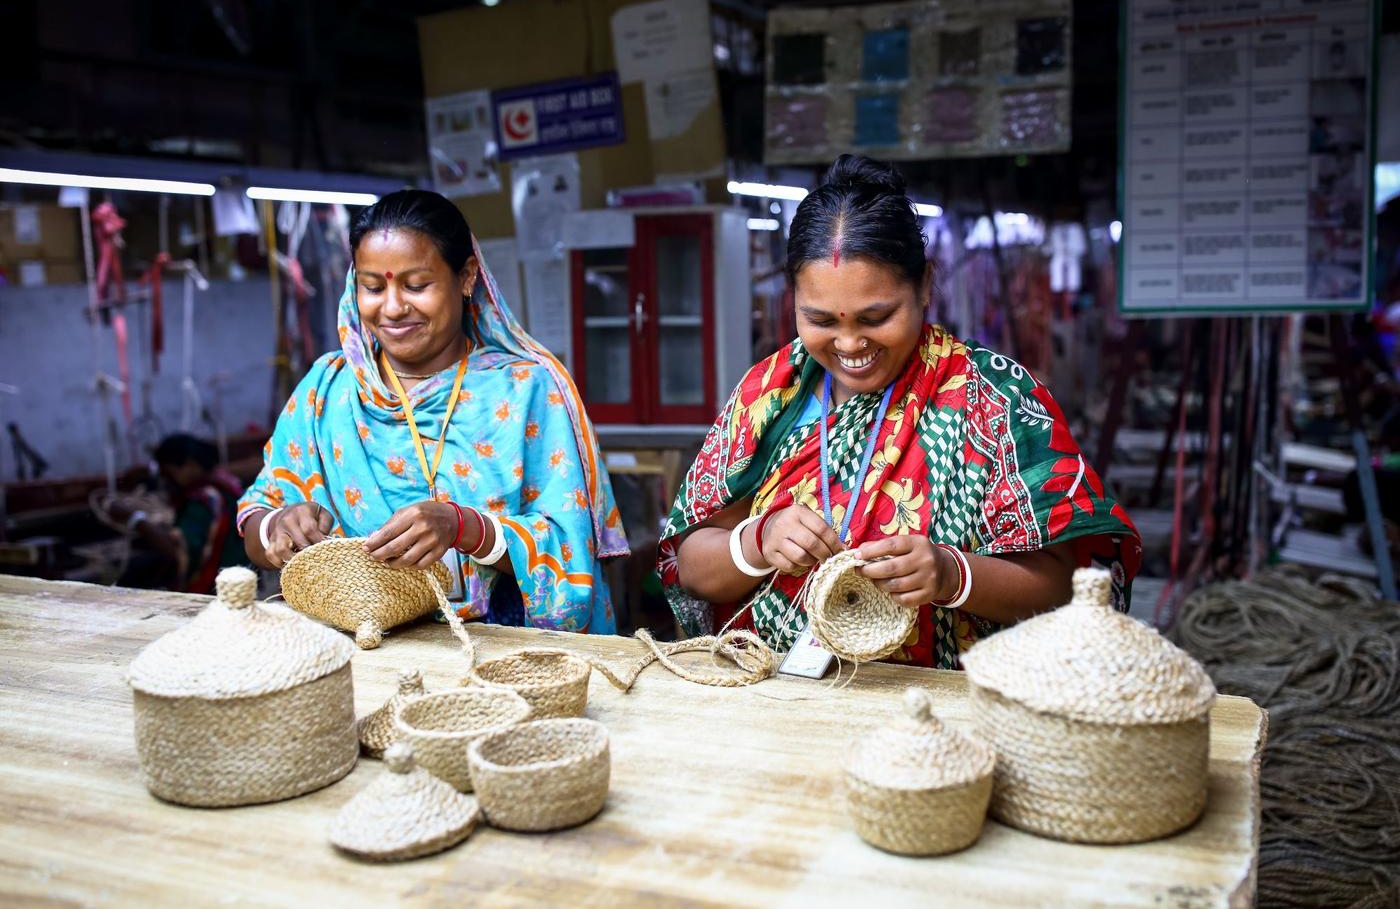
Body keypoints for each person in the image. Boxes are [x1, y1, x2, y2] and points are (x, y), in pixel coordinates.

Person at [659, 155, 1140, 668]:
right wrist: (759, 540)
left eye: (877, 316)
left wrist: (951, 575)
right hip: (780, 699)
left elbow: (1070, 587)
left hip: (939, 716)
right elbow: (691, 565)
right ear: (792, 299)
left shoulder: (994, 401)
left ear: (926, 285)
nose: (849, 344)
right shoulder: (770, 396)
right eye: (819, 319)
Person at [238, 190, 627, 633]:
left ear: (466, 277)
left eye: (416, 286)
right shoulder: (326, 391)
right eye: (372, 286)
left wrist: (465, 527)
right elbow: (257, 516)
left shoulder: (527, 391)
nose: (392, 307)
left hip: (499, 652)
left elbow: (568, 548)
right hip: (355, 648)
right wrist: (277, 525)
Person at [107, 433, 249, 593]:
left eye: (170, 474)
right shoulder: (226, 482)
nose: (168, 481)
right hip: (241, 574)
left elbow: (177, 551)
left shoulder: (205, 500)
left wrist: (135, 519)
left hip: (218, 584)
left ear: (190, 465)